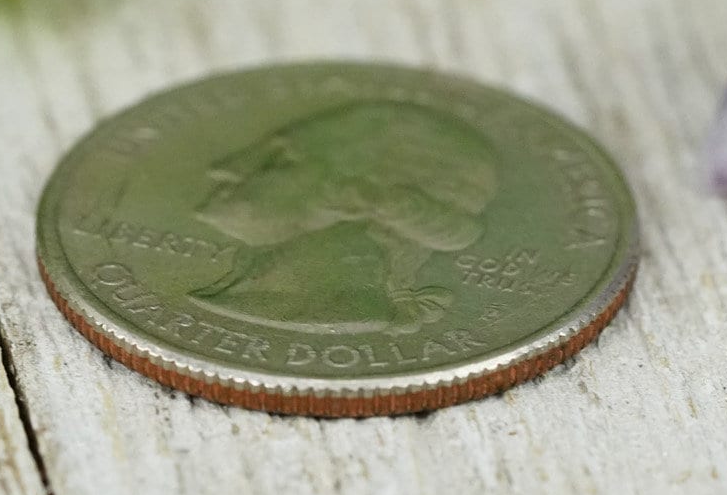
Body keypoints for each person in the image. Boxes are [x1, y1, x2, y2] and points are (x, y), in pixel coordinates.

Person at [190, 101, 497, 335]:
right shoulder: (245, 290)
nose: (224, 169)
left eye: (281, 160)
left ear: (349, 196)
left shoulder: (277, 306)